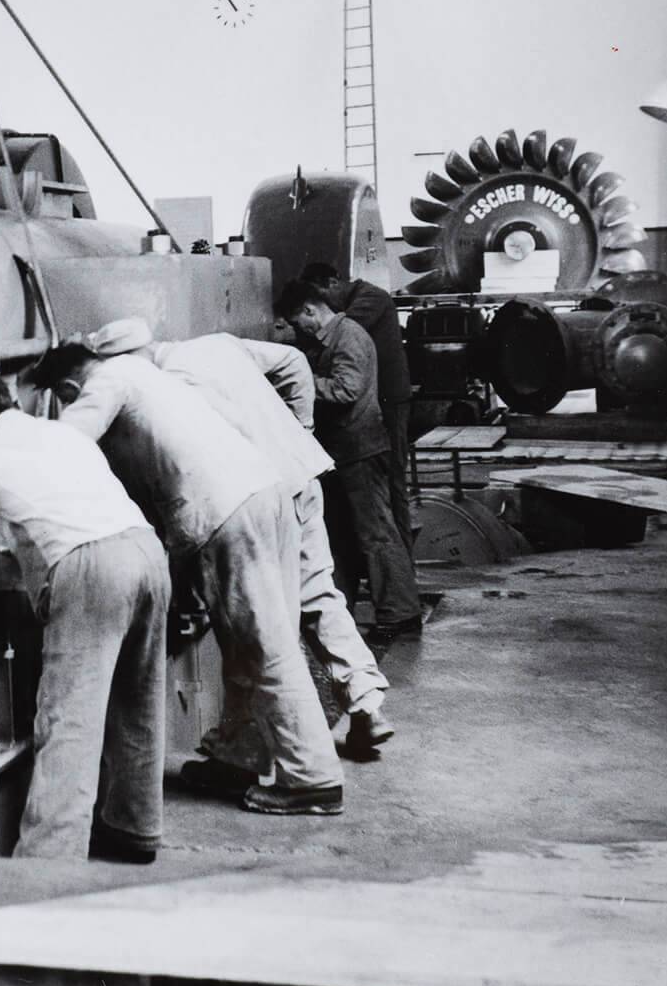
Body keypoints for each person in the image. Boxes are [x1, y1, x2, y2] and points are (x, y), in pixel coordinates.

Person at [30, 342, 345, 816]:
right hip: (264, 491)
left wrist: (4, 444)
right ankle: (239, 757)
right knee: (246, 645)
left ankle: (312, 779)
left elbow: (63, 446)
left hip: (227, 508)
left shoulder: (108, 381)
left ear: (71, 387)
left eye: (64, 396)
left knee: (264, 645)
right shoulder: (143, 375)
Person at [83, 318, 393, 763]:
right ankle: (366, 704)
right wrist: (300, 426)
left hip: (254, 498)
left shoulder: (164, 387)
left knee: (260, 628)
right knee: (321, 595)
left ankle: (256, 751)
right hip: (302, 473)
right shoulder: (214, 342)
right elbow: (292, 362)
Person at [0, 373, 171, 862]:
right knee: (138, 699)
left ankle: (50, 859)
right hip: (146, 552)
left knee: (69, 720)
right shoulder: (61, 431)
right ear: (12, 401)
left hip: (91, 567)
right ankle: (135, 829)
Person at [277, 281, 423, 640]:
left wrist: (299, 379)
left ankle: (400, 614)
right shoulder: (328, 339)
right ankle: (340, 610)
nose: (299, 330)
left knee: (376, 533)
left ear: (312, 310)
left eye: (299, 323)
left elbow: (346, 389)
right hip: (342, 452)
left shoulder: (349, 336)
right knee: (343, 535)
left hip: (361, 449)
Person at [299, 263, 414, 552]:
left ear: (334, 282)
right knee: (383, 488)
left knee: (392, 482)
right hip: (375, 398)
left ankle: (402, 560)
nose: (324, 304)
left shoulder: (370, 299)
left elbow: (338, 330)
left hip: (389, 401)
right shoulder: (357, 301)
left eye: (323, 296)